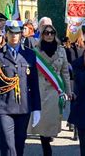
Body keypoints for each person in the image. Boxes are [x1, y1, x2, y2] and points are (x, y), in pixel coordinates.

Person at [0, 21, 41, 156]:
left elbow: (34, 84)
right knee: (8, 145)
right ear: (6, 33)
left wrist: (37, 108)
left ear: (21, 34)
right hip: (3, 106)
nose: (14, 35)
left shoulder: (30, 55)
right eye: (11, 32)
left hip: (23, 106)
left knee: (19, 144)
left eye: (17, 32)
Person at [28, 24, 72, 156]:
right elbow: (31, 72)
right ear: (42, 35)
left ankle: (47, 139)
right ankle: (46, 146)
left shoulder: (61, 50)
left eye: (52, 33)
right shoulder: (36, 50)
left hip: (55, 90)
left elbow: (65, 73)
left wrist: (68, 91)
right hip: (40, 89)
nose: (49, 35)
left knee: (51, 120)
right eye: (46, 33)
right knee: (42, 121)